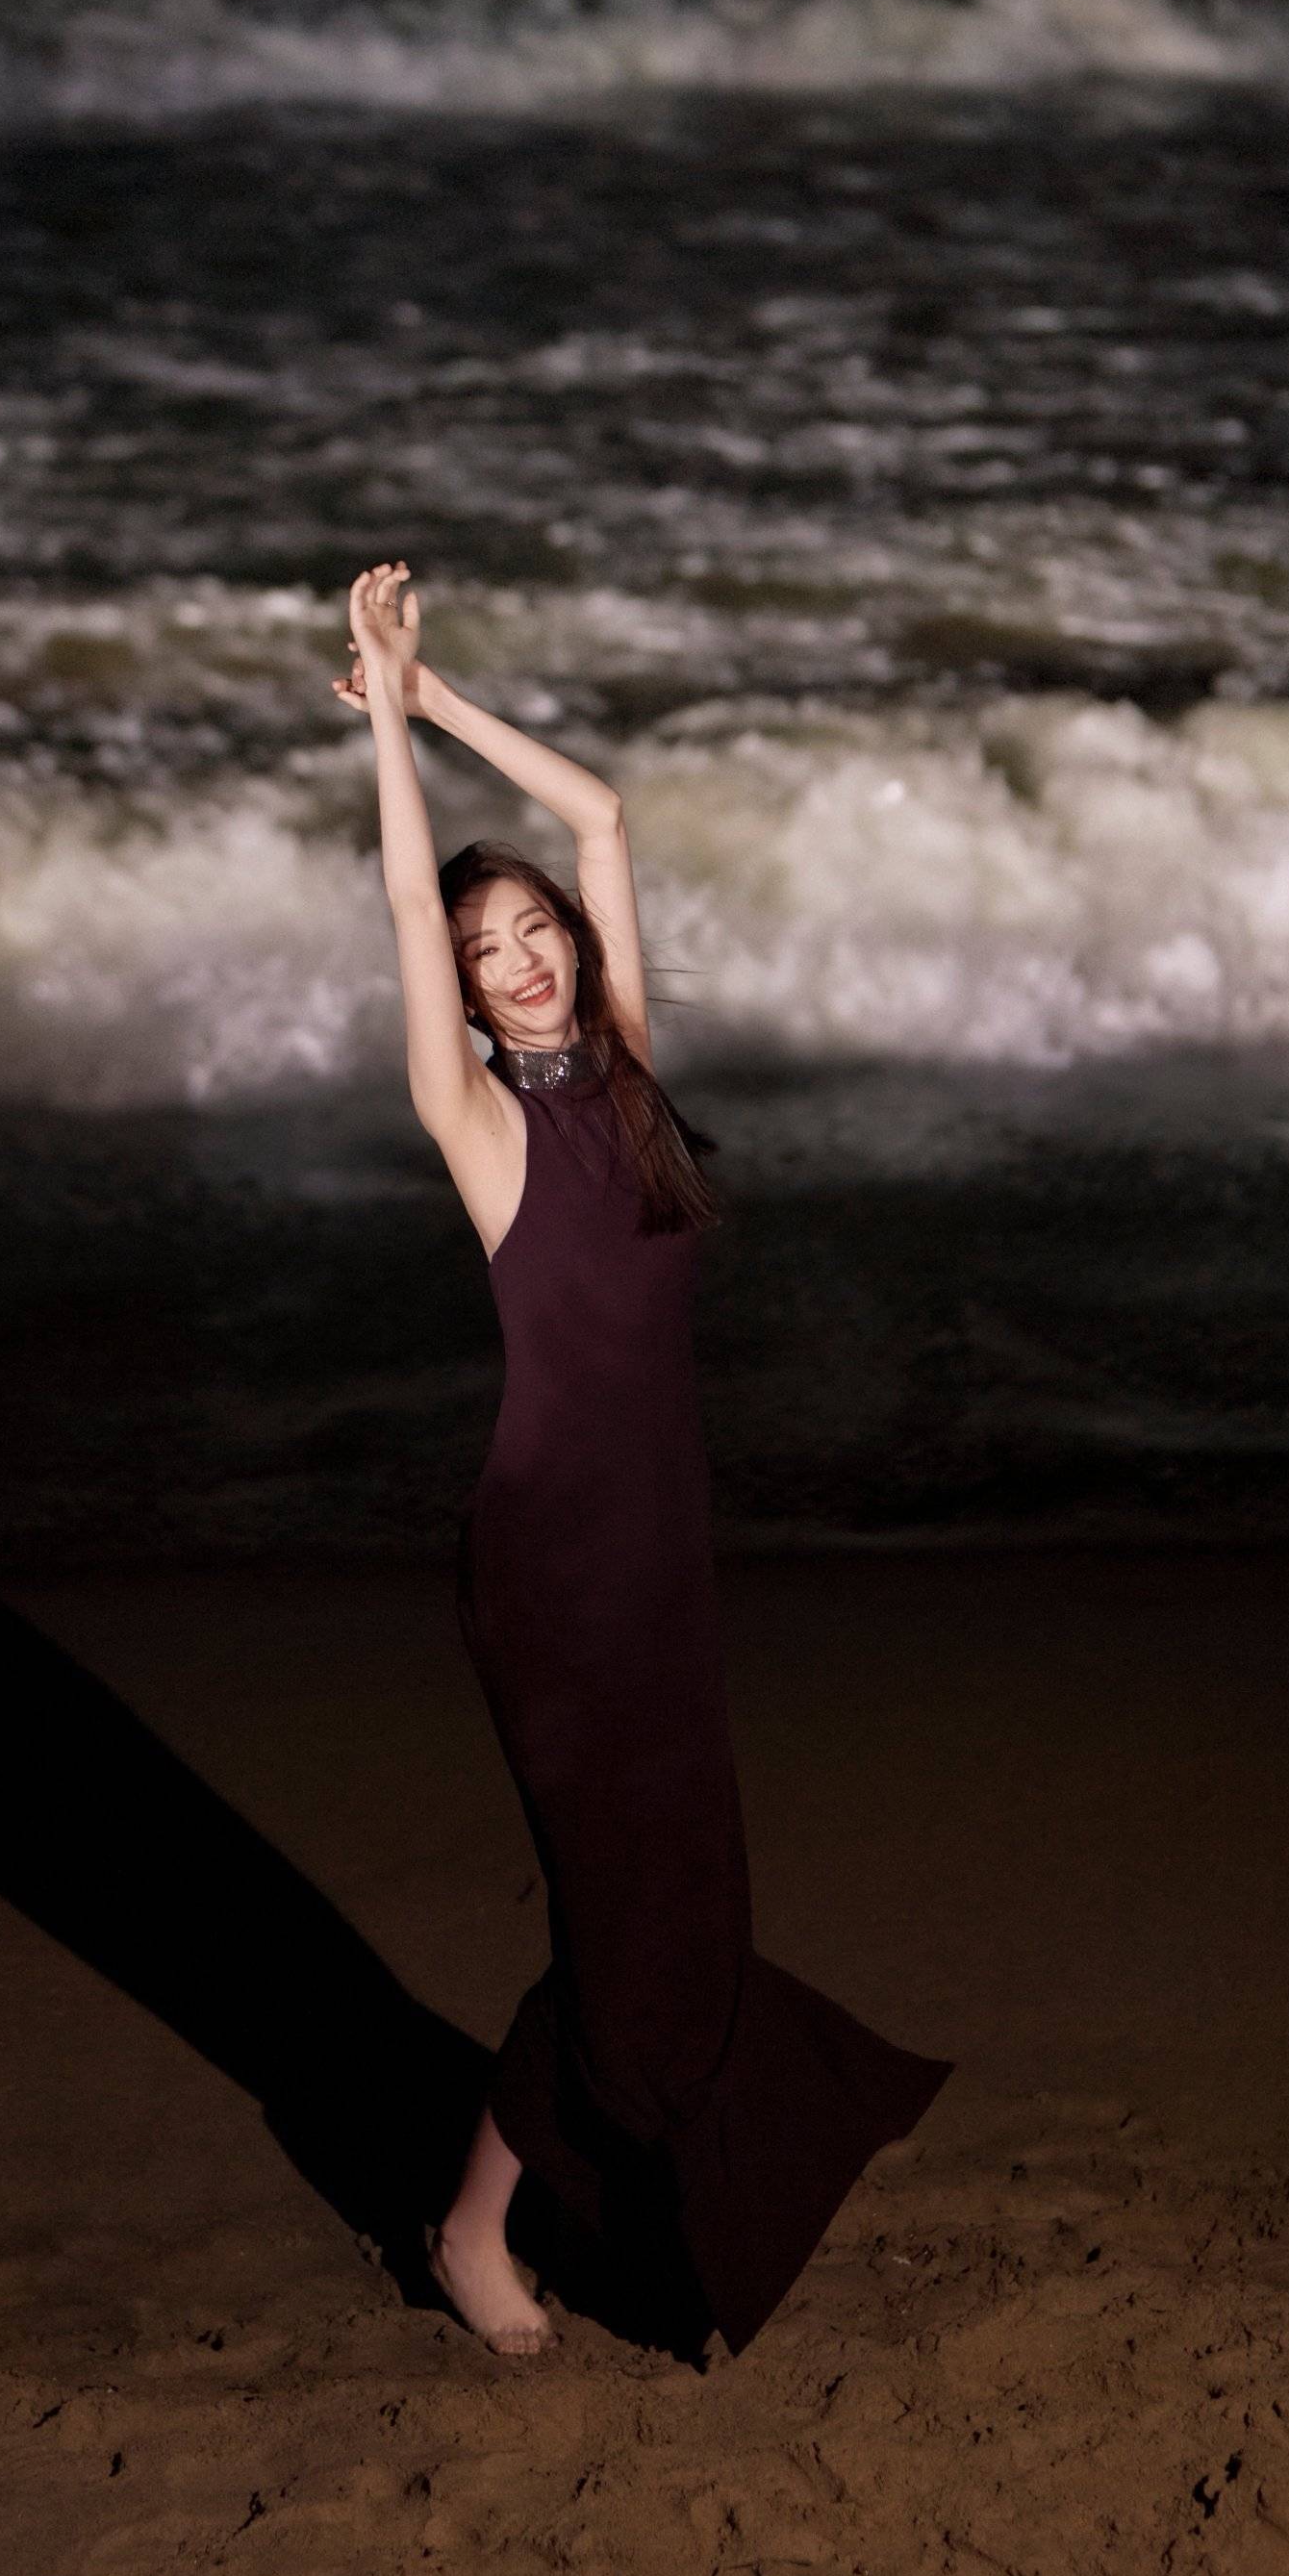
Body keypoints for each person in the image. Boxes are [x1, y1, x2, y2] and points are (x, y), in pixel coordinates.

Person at [338, 559, 948, 2359]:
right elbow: (402, 895)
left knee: (682, 1895)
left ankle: (571, 2192)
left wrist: (439, 693)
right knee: (627, 1915)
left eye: (534, 930)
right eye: (488, 954)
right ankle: (472, 2231)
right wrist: (384, 728)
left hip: (662, 1556)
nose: (522, 959)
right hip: (549, 1567)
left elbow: (602, 812)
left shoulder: (628, 1082)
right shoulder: (476, 1124)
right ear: (462, 995)